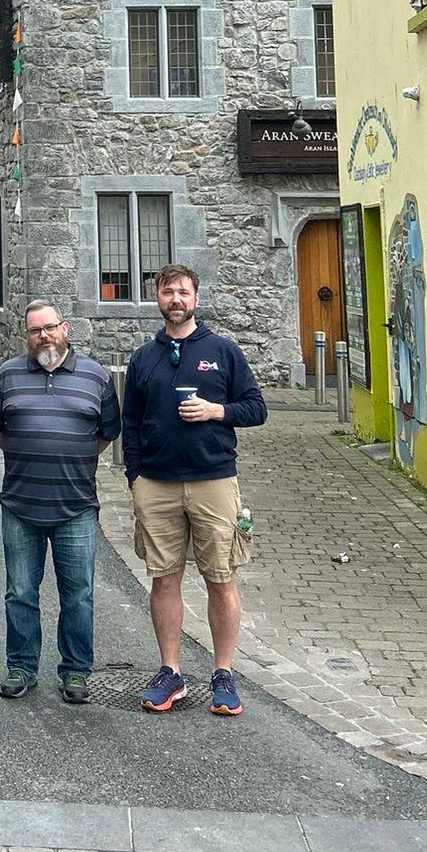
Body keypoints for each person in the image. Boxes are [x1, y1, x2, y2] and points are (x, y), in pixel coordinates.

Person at [121, 262, 267, 719]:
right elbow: (130, 424)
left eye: (183, 292)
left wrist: (216, 411)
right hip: (157, 485)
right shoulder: (144, 359)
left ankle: (223, 673)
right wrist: (135, 478)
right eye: (168, 292)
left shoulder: (223, 351)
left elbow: (256, 408)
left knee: (220, 578)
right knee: (164, 578)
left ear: (196, 299)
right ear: (158, 299)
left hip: (213, 481)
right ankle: (171, 671)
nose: (176, 299)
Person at [0, 300, 121, 705]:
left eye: (49, 328)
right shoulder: (7, 375)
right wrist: (30, 453)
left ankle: (75, 670)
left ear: (65, 329)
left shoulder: (96, 376)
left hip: (76, 507)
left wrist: (70, 458)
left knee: (78, 595)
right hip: (20, 505)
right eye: (34, 330)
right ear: (26, 335)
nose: (43, 336)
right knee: (20, 593)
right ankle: (21, 667)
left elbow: (107, 432)